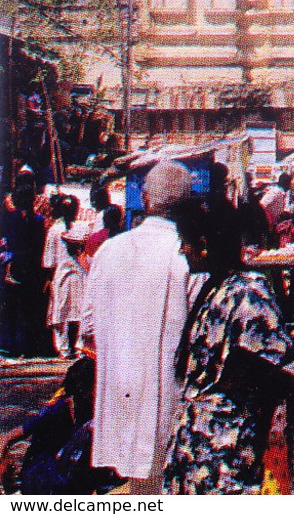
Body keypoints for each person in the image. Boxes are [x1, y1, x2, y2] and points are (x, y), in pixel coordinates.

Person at [163, 198, 294, 494]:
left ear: (204, 244)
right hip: (205, 452)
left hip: (221, 456)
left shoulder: (244, 297)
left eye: (185, 243)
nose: (182, 251)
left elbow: (289, 374)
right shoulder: (223, 290)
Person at [83, 160, 194, 491]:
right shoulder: (186, 255)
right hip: (170, 401)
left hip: (121, 396)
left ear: (144, 199)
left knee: (141, 487)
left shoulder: (108, 251)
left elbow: (88, 325)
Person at [0, 354, 117, 493]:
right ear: (83, 389)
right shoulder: (57, 410)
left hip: (68, 476)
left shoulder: (95, 412)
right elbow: (8, 436)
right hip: (43, 480)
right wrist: (3, 467)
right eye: (97, 387)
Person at [0, 169, 47, 358]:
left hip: (16, 267)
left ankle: (11, 346)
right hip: (31, 269)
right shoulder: (37, 220)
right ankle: (26, 347)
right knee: (28, 309)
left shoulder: (13, 218)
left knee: (12, 309)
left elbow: (8, 244)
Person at [43, 192, 87, 357]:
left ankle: (78, 347)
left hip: (79, 275)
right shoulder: (55, 230)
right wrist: (49, 278)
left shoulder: (81, 228)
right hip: (62, 275)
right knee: (61, 312)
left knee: (78, 313)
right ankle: (64, 348)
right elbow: (50, 259)